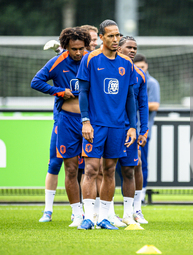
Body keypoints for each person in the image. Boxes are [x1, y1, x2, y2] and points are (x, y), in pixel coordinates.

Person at [77, 19, 137, 230]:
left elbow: (131, 97)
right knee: (91, 169)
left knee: (110, 170)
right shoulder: (90, 59)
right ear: (101, 37)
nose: (115, 39)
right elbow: (83, 92)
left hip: (118, 126)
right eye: (110, 36)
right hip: (95, 124)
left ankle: (103, 217)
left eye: (117, 35)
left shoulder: (127, 64)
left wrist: (132, 126)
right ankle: (88, 217)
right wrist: (85, 121)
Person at [31, 27, 91, 227]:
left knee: (94, 168)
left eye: (81, 48)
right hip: (66, 121)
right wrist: (58, 91)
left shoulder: (91, 60)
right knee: (69, 168)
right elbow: (36, 81)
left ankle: (97, 213)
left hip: (90, 121)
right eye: (74, 49)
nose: (78, 53)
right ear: (65, 47)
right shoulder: (57, 62)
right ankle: (76, 214)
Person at [115, 36, 149, 225]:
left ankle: (134, 211)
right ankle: (107, 212)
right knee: (106, 170)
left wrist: (143, 131)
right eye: (129, 47)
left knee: (133, 168)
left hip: (130, 131)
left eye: (135, 48)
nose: (133, 50)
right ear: (118, 49)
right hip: (109, 127)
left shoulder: (139, 75)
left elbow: (142, 107)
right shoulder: (106, 69)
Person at [133, 54, 160, 202]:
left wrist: (135, 103)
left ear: (147, 66)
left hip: (143, 131)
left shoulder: (152, 83)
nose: (140, 70)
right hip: (127, 129)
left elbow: (155, 105)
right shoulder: (130, 79)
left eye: (142, 67)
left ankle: (141, 194)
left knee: (141, 162)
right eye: (138, 67)